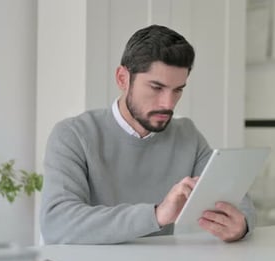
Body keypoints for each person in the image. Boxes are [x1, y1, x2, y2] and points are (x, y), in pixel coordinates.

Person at [40, 24, 255, 244]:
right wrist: (156, 214)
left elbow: (239, 201)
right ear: (123, 78)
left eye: (178, 89)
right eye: (156, 87)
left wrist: (240, 225)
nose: (168, 104)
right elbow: (57, 224)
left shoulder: (187, 135)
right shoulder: (73, 135)